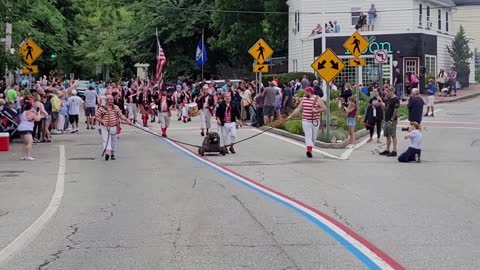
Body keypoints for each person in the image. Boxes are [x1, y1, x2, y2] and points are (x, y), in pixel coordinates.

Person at [286, 87, 327, 158]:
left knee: (313, 138)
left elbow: (324, 108)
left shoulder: (317, 99)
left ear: (310, 92)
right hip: (306, 120)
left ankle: (310, 149)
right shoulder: (304, 99)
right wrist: (290, 116)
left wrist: (316, 111)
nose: (305, 93)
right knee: (308, 136)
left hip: (315, 121)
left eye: (306, 92)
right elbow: (298, 109)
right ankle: (309, 150)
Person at [95, 95, 132, 161]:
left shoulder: (116, 107)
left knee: (114, 141)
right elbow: (96, 116)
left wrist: (127, 120)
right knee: (106, 140)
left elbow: (121, 115)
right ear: (106, 100)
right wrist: (102, 121)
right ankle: (107, 153)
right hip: (105, 127)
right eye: (109, 99)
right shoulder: (101, 108)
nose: (111, 101)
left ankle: (112, 153)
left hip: (114, 127)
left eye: (112, 99)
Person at [379, 86, 400, 157]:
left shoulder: (396, 99)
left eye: (388, 91)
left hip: (392, 120)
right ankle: (387, 149)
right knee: (387, 135)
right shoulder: (388, 99)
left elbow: (396, 110)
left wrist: (392, 119)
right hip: (387, 119)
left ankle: (394, 150)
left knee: (393, 134)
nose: (387, 93)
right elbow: (385, 108)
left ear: (392, 91)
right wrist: (381, 104)